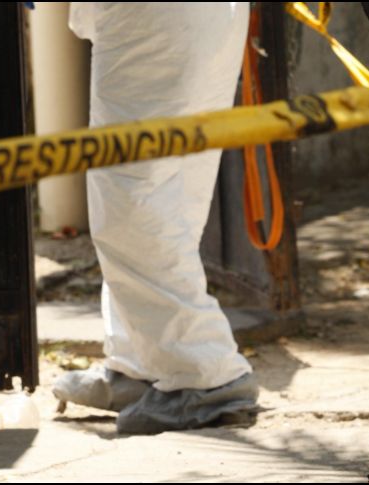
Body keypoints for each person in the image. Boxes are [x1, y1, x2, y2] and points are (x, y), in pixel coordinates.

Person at [53, 2, 258, 435]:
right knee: (173, 198)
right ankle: (143, 363)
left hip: (152, 17)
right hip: (203, 15)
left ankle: (204, 374)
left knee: (130, 205)